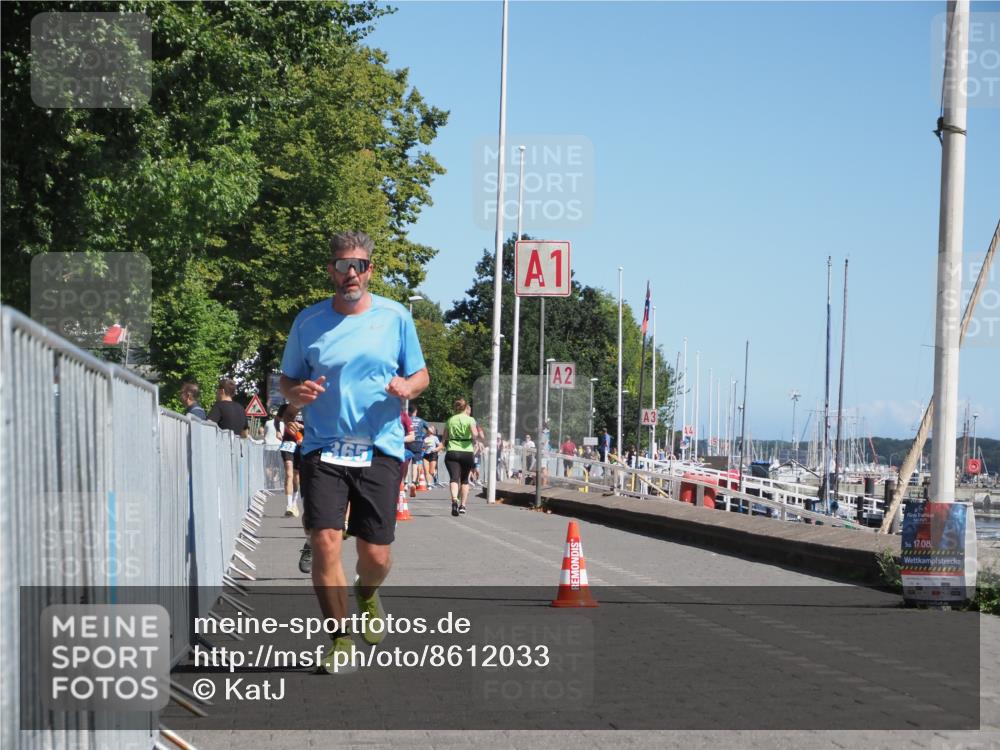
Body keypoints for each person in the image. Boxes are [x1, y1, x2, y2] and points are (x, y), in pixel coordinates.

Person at [279, 230, 429, 674]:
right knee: (324, 542)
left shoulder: (396, 317)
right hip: (323, 447)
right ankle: (340, 638)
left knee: (376, 554)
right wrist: (297, 394)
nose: (351, 274)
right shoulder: (308, 322)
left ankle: (367, 592)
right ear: (331, 271)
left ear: (370, 270)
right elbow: (286, 381)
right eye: (343, 265)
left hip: (379, 448)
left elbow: (421, 374)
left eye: (358, 265)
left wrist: (407, 385)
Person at [442, 398, 480, 516]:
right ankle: (463, 506)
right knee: (464, 480)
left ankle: (454, 500)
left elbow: (445, 437)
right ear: (466, 408)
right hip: (466, 451)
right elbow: (475, 434)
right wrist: (474, 440)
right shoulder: (470, 419)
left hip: (452, 451)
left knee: (454, 478)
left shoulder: (450, 419)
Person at [278, 405, 303, 518]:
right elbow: (277, 420)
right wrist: (278, 430)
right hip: (288, 443)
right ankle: (288, 506)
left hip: (302, 443)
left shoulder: (309, 405)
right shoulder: (285, 408)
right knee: (289, 474)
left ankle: (294, 502)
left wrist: (301, 426)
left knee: (296, 476)